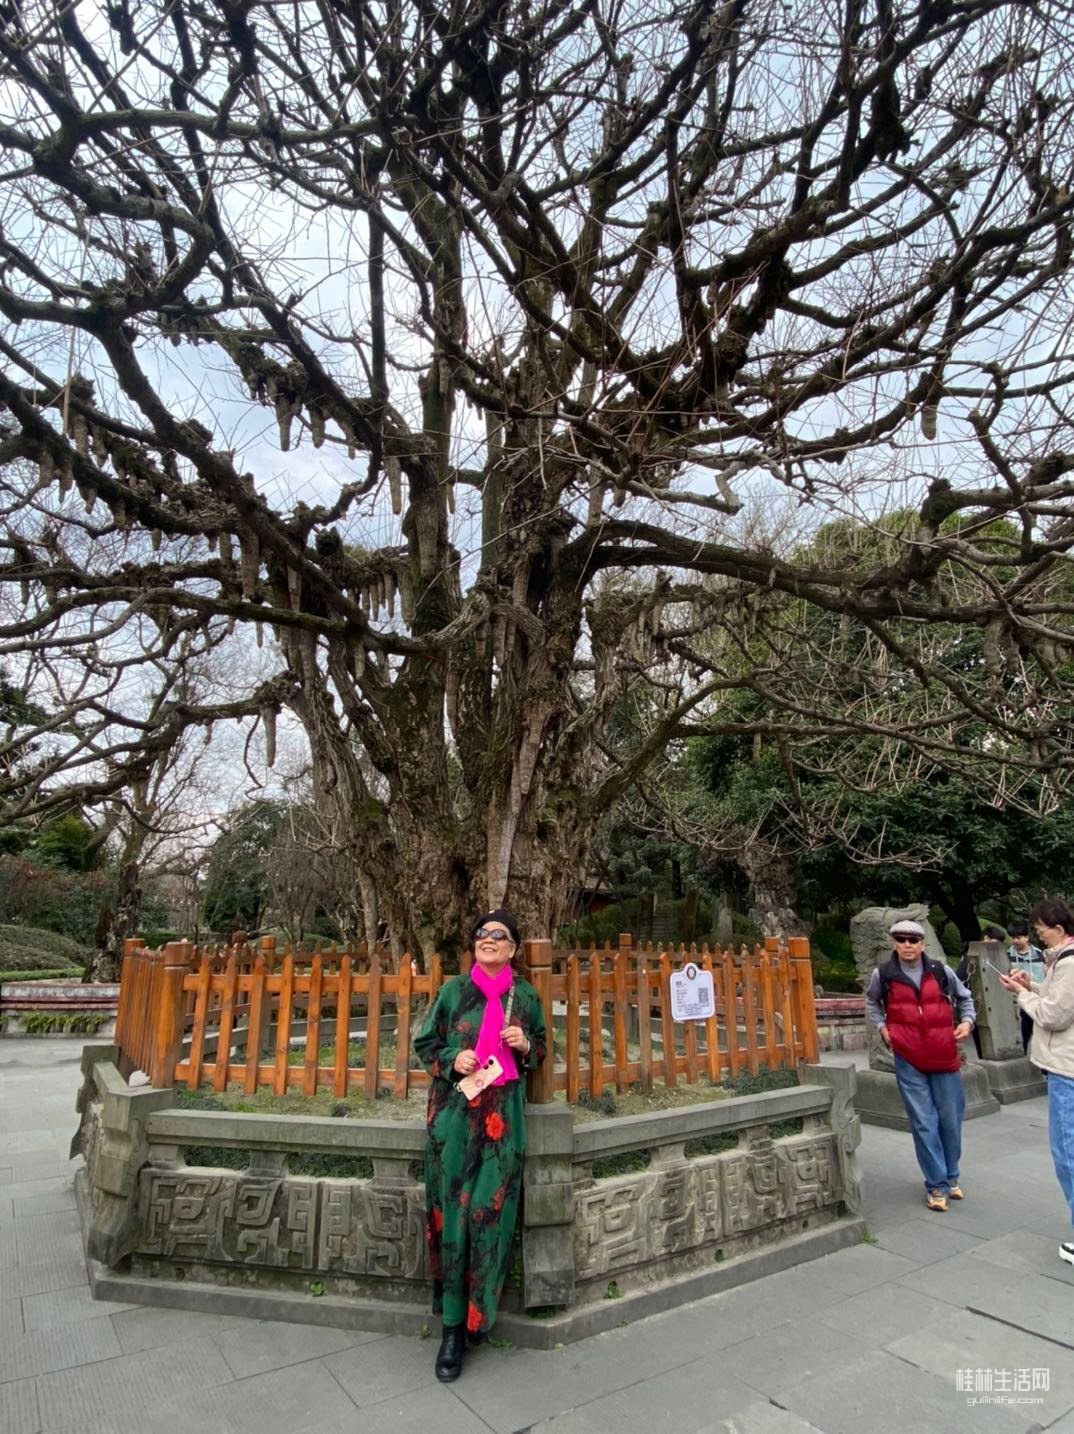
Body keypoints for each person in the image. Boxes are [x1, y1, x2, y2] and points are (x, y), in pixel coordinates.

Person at [414, 908, 547, 1382]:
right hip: (454, 1117)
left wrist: (526, 1045)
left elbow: (541, 1047)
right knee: (453, 1218)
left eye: (499, 934)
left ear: (513, 949)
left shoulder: (524, 996)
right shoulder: (453, 992)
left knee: (488, 1216)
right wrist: (455, 1057)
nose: (488, 938)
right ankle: (451, 1328)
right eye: (482, 933)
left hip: (502, 1122)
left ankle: (479, 1317)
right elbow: (426, 1044)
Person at [865, 919, 976, 1212]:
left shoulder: (941, 971)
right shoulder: (883, 974)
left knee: (950, 1119)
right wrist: (883, 1028)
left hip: (944, 1055)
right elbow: (872, 1002)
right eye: (901, 939)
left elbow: (965, 999)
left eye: (913, 940)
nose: (907, 945)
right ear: (894, 943)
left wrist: (967, 1022)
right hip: (908, 1057)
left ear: (923, 943)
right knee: (924, 1122)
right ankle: (936, 1184)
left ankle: (951, 1175)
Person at [1000, 898, 1074, 1267]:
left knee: (1068, 1155)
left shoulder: (1070, 963)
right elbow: (1061, 1000)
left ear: (1059, 929)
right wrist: (1033, 985)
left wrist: (1022, 995)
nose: (1037, 934)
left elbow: (1055, 1016)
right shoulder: (1063, 960)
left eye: (1041, 929)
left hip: (1067, 1070)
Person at [1006, 920, 1046, 1054]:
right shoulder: (1007, 956)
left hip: (1037, 998)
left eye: (1018, 937)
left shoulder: (1041, 955)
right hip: (1016, 1000)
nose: (1015, 941)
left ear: (1027, 937)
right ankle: (1021, 1055)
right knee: (1021, 1032)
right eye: (1012, 937)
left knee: (1040, 1033)